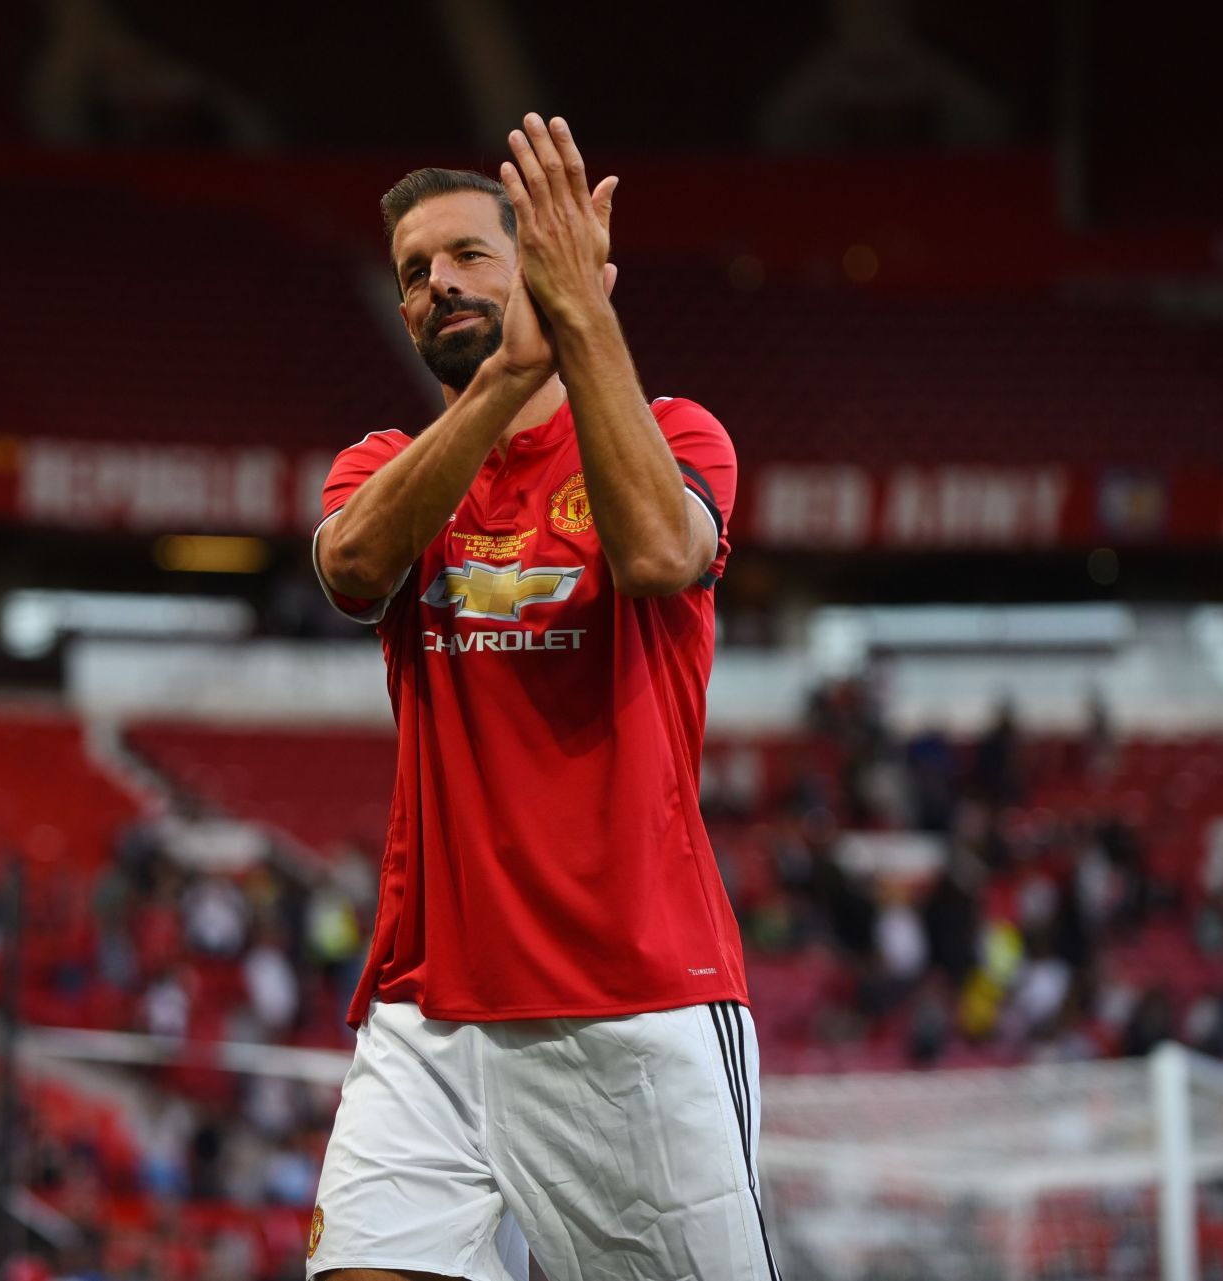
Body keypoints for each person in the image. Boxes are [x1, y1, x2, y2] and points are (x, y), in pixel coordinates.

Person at [307, 114, 775, 1281]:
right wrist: (517, 365)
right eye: (416, 273)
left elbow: (664, 555)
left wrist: (577, 331)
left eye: (469, 254)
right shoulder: (380, 466)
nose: (438, 285)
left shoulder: (678, 434)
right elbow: (354, 571)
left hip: (631, 1001)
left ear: (545, 268)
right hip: (427, 1012)